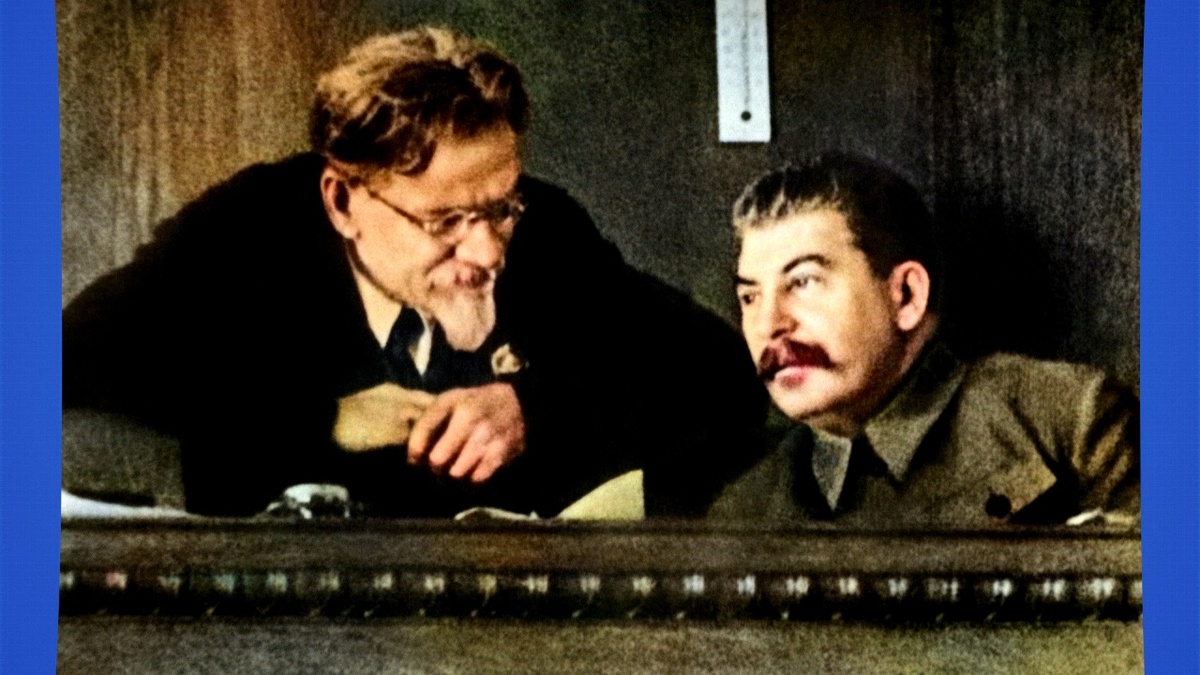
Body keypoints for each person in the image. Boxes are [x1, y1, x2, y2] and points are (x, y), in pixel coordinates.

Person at [63, 26, 766, 518]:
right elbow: (65, 366)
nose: (487, 251)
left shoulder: (546, 229)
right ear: (343, 202)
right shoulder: (245, 232)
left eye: (500, 210)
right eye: (445, 222)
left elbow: (722, 375)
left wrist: (534, 408)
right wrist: (321, 420)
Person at [709, 153, 1139, 527]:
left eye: (804, 282)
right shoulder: (744, 510)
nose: (768, 324)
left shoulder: (1068, 424)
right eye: (750, 297)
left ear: (906, 295)